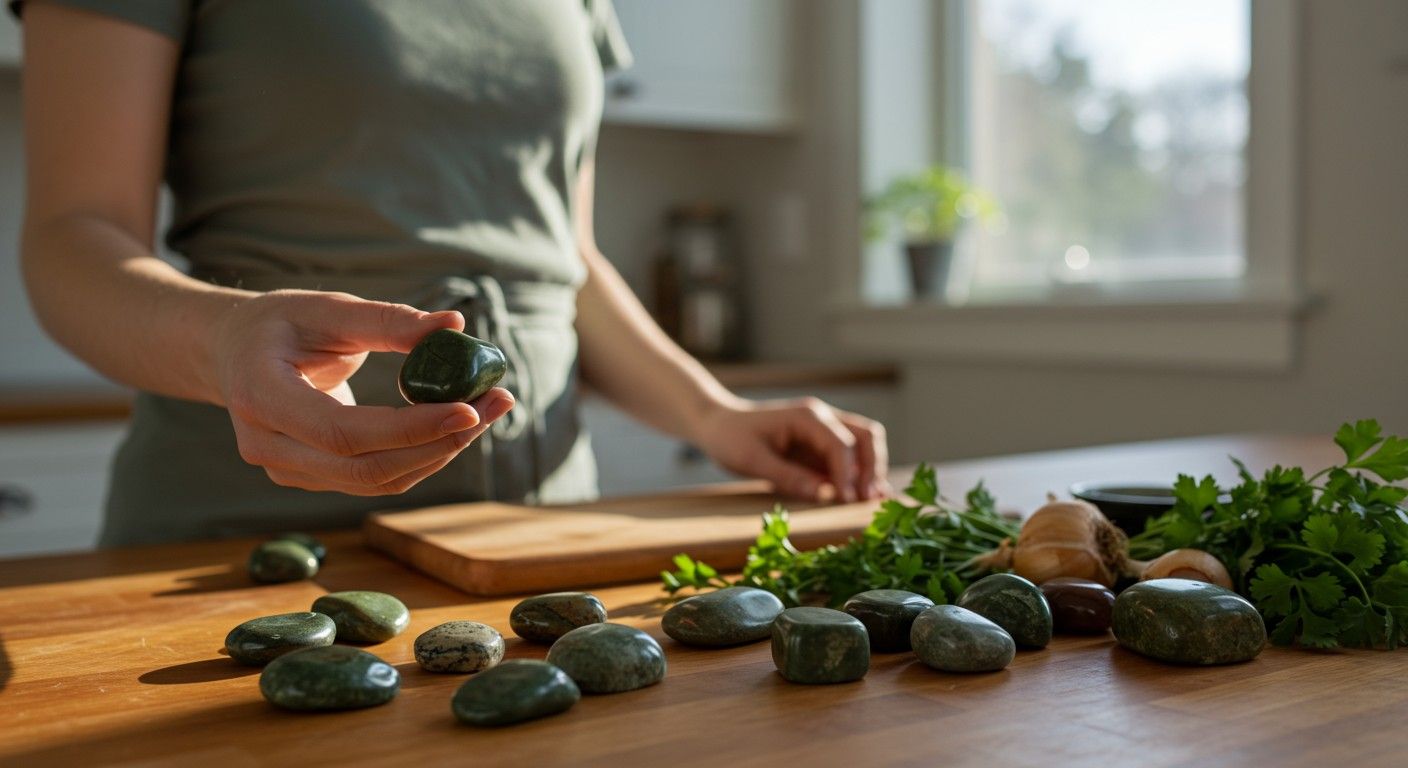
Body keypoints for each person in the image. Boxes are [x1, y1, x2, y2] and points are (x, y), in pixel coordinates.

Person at [16, 0, 890, 547]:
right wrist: (223, 339)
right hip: (247, 538)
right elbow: (72, 234)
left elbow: (566, 258)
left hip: (533, 534)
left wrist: (715, 414)